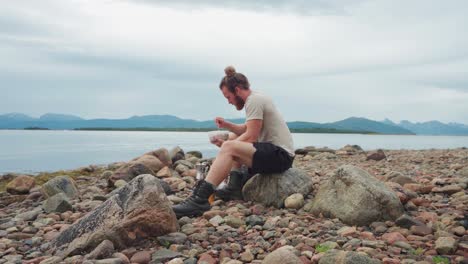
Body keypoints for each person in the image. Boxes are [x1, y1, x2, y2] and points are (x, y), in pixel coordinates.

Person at [172, 66, 295, 218]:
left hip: (281, 156)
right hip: (275, 153)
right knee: (231, 138)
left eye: (228, 97)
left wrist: (225, 148)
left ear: (237, 90)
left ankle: (199, 199)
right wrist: (226, 125)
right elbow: (246, 129)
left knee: (229, 146)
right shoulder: (256, 97)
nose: (229, 102)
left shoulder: (254, 100)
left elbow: (250, 136)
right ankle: (234, 187)